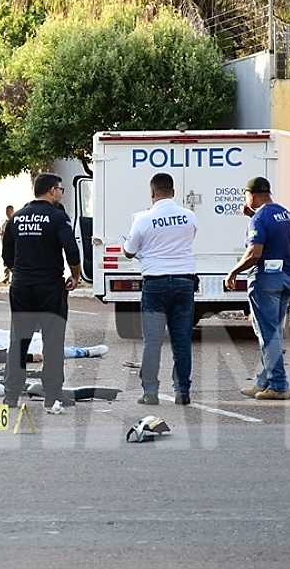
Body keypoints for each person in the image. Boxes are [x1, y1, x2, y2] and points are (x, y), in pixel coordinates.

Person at [1, 173, 80, 415]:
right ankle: (52, 396)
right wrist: (75, 275)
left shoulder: (17, 218)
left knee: (18, 342)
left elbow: (6, 255)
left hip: (22, 287)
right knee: (53, 342)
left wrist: (23, 272)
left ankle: (10, 397)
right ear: (52, 191)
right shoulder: (57, 217)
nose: (61, 194)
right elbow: (72, 250)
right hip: (50, 288)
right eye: (61, 190)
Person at [123, 172, 198, 406]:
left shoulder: (143, 219)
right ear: (173, 192)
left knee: (152, 342)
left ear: (152, 192)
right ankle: (182, 392)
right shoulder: (189, 216)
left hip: (155, 285)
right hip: (185, 283)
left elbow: (129, 250)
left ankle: (150, 393)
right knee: (182, 341)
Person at [225, 176, 290, 401]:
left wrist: (234, 271)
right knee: (273, 332)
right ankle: (263, 381)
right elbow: (273, 231)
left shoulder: (259, 218)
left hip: (266, 281)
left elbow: (255, 253)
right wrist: (253, 215)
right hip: (287, 277)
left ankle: (278, 384)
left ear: (252, 195)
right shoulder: (283, 213)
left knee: (267, 334)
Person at [0, 204, 15, 283]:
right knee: (5, 260)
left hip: (13, 245)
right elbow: (1, 231)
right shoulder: (4, 222)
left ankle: (13, 277)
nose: (8, 213)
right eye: (7, 211)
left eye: (9, 211)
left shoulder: (15, 221)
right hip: (4, 244)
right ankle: (6, 277)